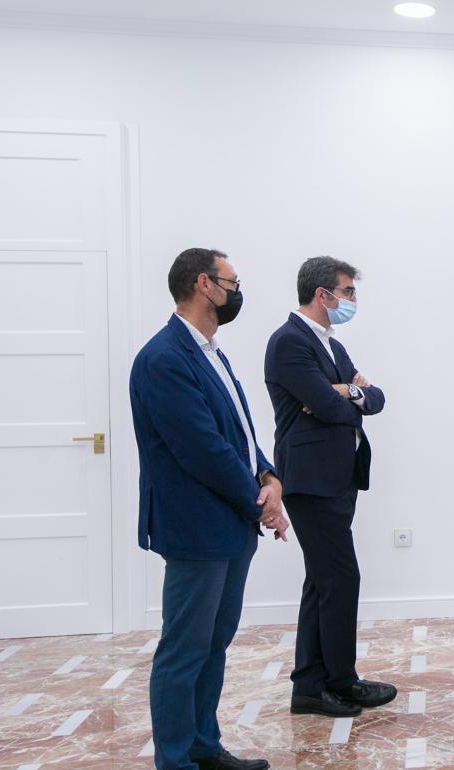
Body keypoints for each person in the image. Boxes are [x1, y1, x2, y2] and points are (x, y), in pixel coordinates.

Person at [130, 248, 288, 770]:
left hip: (230, 523)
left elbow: (238, 432)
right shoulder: (164, 358)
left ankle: (203, 746)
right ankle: (175, 759)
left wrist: (269, 476)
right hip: (196, 527)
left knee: (213, 644)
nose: (238, 291)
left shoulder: (210, 351)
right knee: (184, 651)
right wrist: (259, 502)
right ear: (204, 284)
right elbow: (200, 448)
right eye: (232, 281)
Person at [264, 256, 394, 718]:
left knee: (322, 581)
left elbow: (372, 399)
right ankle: (340, 681)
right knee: (340, 578)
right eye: (348, 291)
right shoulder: (289, 342)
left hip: (338, 475)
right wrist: (338, 394)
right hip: (312, 479)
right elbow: (324, 403)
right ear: (324, 294)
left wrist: (349, 392)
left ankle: (310, 686)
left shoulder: (331, 345)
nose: (352, 300)